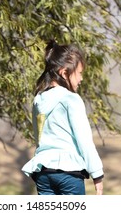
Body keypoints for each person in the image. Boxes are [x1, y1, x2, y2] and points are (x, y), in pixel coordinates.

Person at [21, 40, 104, 195]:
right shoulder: (71, 99)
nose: (81, 79)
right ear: (64, 72)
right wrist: (97, 173)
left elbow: (38, 136)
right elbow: (84, 140)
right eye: (79, 73)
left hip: (44, 172)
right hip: (69, 173)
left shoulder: (39, 99)